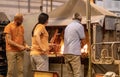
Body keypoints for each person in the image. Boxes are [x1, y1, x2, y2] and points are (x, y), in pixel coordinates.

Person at [63, 13, 86, 77]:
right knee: (77, 74)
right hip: (74, 53)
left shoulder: (68, 26)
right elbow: (83, 39)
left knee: (70, 73)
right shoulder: (79, 26)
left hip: (66, 53)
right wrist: (85, 49)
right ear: (80, 19)